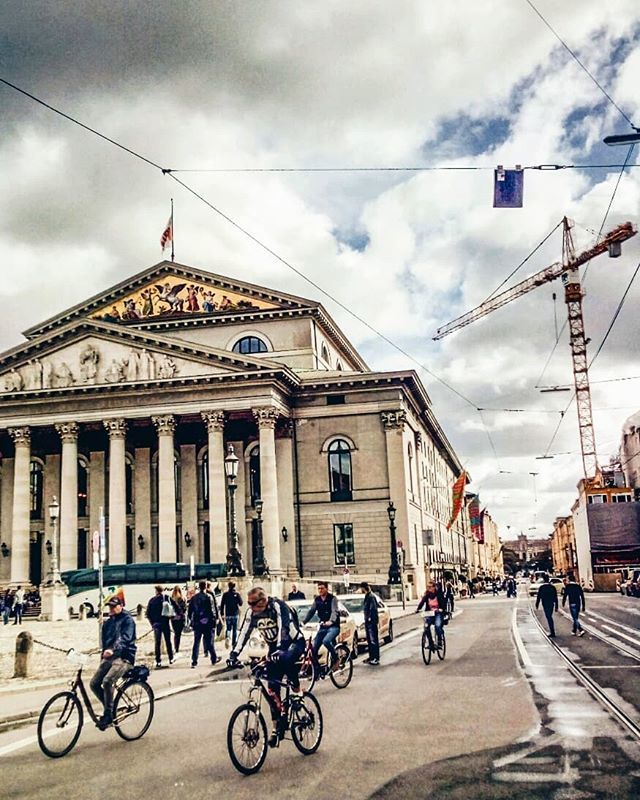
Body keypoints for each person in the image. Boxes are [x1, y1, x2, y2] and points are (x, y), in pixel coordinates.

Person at [229, 586, 305, 745]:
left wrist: (278, 650)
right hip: (274, 648)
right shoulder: (252, 612)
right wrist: (234, 654)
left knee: (286, 659)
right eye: (248, 604)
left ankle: (298, 695)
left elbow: (283, 628)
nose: (250, 607)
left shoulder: (277, 605)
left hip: (293, 642)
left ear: (263, 600)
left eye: (253, 604)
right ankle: (276, 727)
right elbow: (244, 632)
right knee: (272, 689)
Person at [90, 593, 136, 730]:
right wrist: (103, 655)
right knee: (94, 684)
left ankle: (108, 714)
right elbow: (105, 642)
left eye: (114, 606)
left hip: (124, 656)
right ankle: (109, 708)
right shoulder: (108, 623)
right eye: (110, 606)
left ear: (121, 606)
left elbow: (125, 638)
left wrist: (113, 649)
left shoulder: (128, 620)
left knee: (107, 681)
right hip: (109, 657)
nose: (111, 609)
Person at [303, 582, 340, 666]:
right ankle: (317, 671)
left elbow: (334, 611)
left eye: (322, 588)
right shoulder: (317, 600)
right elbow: (311, 611)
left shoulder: (332, 598)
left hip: (333, 627)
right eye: (319, 588)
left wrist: (331, 621)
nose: (320, 590)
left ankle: (336, 658)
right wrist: (303, 622)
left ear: (326, 589)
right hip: (323, 626)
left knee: (326, 641)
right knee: (314, 649)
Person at [188, 580, 219, 667]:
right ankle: (213, 658)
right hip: (207, 622)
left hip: (197, 622)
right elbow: (212, 610)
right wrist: (214, 620)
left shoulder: (194, 598)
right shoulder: (209, 597)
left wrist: (192, 620)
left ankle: (194, 660)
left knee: (196, 642)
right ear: (205, 587)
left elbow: (190, 611)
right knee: (209, 642)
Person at [146, 585, 175, 668]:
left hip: (156, 624)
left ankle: (158, 660)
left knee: (157, 643)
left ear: (156, 591)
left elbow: (148, 613)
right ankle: (171, 658)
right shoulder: (166, 598)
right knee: (168, 641)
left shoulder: (152, 600)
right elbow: (175, 606)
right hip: (165, 622)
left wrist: (152, 623)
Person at [416, 580, 446, 647]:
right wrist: (418, 609)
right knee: (426, 627)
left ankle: (439, 641)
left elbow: (444, 603)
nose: (428, 588)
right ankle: (430, 643)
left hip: (438, 613)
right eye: (427, 587)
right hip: (430, 613)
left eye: (430, 587)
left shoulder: (439, 594)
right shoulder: (427, 595)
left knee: (437, 626)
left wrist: (441, 609)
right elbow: (422, 602)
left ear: (434, 587)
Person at [360, 582, 380, 665]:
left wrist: (369, 618)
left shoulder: (371, 597)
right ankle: (371, 657)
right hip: (369, 622)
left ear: (364, 588)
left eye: (361, 588)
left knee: (373, 640)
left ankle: (375, 658)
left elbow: (373, 609)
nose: (361, 590)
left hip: (371, 622)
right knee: (370, 640)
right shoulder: (368, 596)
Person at [220, 581, 243, 648]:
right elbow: (241, 603)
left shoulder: (225, 594)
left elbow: (222, 605)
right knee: (235, 629)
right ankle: (233, 643)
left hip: (228, 614)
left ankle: (227, 637)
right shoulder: (237, 594)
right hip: (235, 614)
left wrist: (222, 613)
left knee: (228, 628)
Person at [170, 586, 187, 653]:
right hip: (180, 618)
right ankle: (177, 647)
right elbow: (184, 609)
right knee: (178, 634)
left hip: (173, 618)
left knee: (176, 633)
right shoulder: (182, 599)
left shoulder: (171, 599)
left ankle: (176, 647)